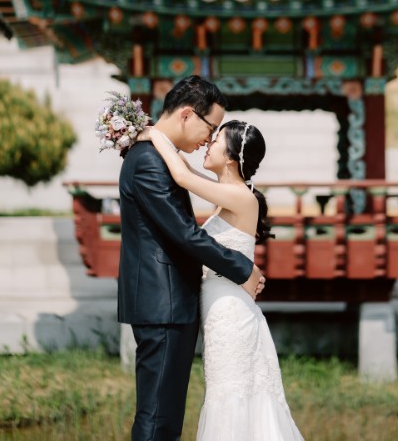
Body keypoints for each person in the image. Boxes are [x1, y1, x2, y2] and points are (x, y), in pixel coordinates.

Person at [138, 119, 305, 441]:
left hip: (231, 313)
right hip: (221, 309)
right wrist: (164, 143)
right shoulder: (228, 194)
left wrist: (155, 134)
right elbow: (187, 171)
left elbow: (183, 176)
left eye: (215, 141)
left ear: (230, 156)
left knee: (230, 398)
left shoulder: (242, 197)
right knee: (226, 396)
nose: (207, 144)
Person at [117, 76, 264, 441]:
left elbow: (186, 184)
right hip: (163, 304)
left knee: (165, 416)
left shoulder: (156, 154)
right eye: (210, 127)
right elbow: (184, 233)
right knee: (157, 418)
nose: (209, 139)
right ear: (187, 115)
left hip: (169, 303)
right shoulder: (149, 160)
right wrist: (242, 268)